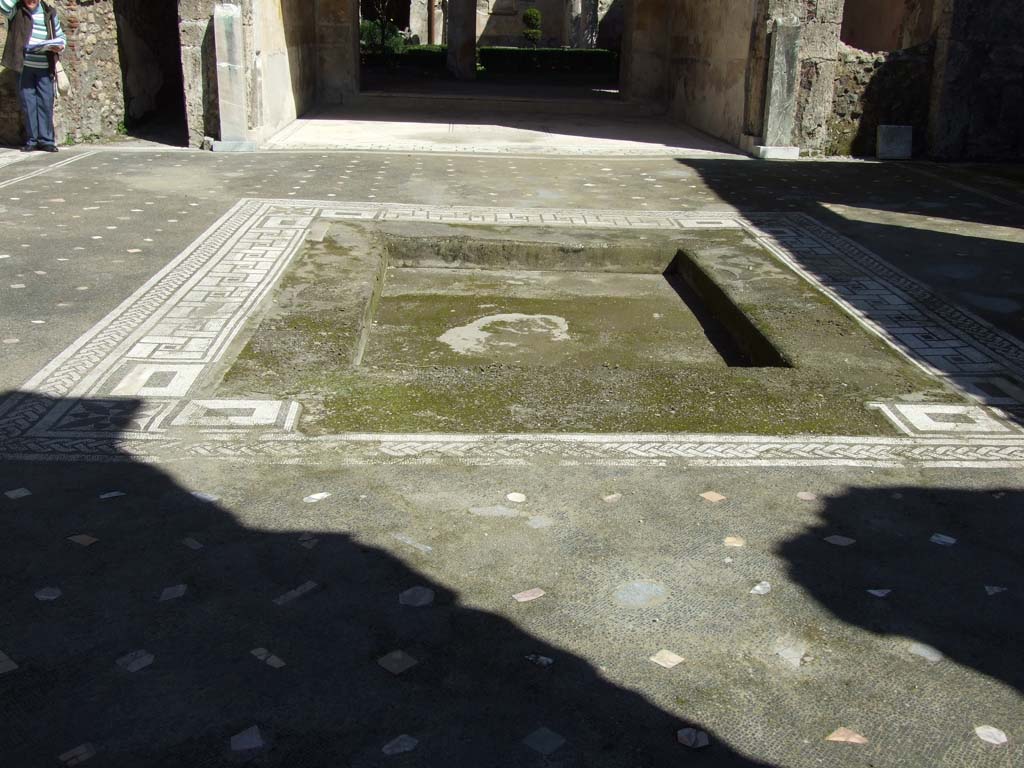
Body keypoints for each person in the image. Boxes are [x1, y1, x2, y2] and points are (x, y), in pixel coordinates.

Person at [1, 0, 66, 152]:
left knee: (46, 102)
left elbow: (61, 36)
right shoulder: (16, 11)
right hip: (24, 67)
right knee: (28, 104)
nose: (31, 1)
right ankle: (32, 140)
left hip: (45, 67)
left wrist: (60, 45)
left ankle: (46, 141)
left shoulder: (49, 13)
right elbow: (2, 5)